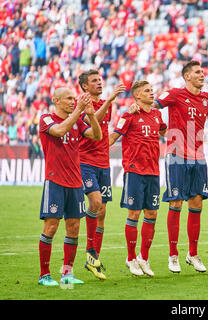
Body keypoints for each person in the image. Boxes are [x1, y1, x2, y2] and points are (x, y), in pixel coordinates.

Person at [150, 60, 208, 273]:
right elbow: (153, 105)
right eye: (197, 72)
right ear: (187, 76)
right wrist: (162, 127)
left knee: (196, 204)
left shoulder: (207, 98)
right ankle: (173, 255)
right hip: (176, 155)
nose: (202, 75)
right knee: (176, 203)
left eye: (203, 71)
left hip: (198, 157)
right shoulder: (175, 94)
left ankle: (192, 254)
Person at [38, 88, 102, 286]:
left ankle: (67, 273)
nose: (72, 101)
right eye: (68, 98)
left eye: (74, 99)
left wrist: (91, 116)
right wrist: (79, 111)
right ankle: (44, 275)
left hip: (75, 182)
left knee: (73, 228)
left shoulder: (77, 121)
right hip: (55, 180)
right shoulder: (46, 119)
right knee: (51, 226)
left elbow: (96, 136)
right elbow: (59, 131)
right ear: (56, 100)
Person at [109, 80, 167, 277]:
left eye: (152, 90)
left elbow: (167, 132)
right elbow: (112, 138)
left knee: (152, 214)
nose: (152, 93)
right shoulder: (129, 115)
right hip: (134, 171)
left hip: (153, 172)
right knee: (134, 215)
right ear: (137, 96)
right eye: (147, 91)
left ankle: (144, 257)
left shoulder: (157, 115)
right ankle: (131, 258)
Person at [78, 69, 126, 280]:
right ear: (84, 86)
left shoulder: (107, 103)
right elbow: (90, 122)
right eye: (94, 81)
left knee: (102, 211)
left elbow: (103, 132)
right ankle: (90, 251)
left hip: (103, 163)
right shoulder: (79, 103)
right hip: (85, 161)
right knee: (95, 203)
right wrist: (109, 100)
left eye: (100, 79)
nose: (99, 82)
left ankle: (94, 258)